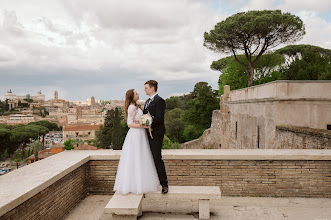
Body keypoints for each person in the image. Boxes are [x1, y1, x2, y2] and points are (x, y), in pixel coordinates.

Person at [113, 89, 159, 195]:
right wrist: (144, 125)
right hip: (136, 134)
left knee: (141, 157)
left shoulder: (136, 106)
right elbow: (129, 124)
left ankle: (140, 183)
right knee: (136, 157)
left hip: (140, 134)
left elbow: (136, 120)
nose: (138, 94)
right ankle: (135, 185)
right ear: (132, 96)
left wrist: (143, 120)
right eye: (136, 94)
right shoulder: (132, 107)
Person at [143, 80, 169, 194]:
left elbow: (159, 118)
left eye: (146, 88)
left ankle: (164, 184)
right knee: (148, 158)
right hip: (147, 133)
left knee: (157, 158)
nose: (145, 90)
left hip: (156, 133)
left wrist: (149, 123)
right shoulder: (147, 101)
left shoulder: (160, 101)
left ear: (152, 88)